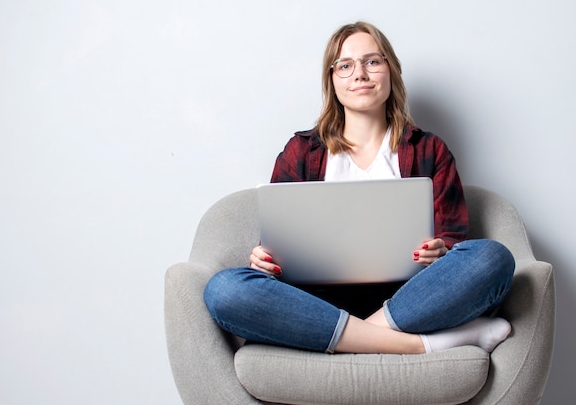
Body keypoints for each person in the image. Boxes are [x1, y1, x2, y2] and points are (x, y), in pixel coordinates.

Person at [203, 21, 515, 355]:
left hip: (410, 297)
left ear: (390, 72)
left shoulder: (429, 150)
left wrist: (441, 252)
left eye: (372, 62)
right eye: (345, 65)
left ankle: (354, 337)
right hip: (313, 300)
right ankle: (419, 345)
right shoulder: (302, 151)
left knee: (492, 258)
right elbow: (279, 243)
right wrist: (263, 259)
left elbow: (453, 240)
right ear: (332, 81)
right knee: (224, 289)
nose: (360, 74)